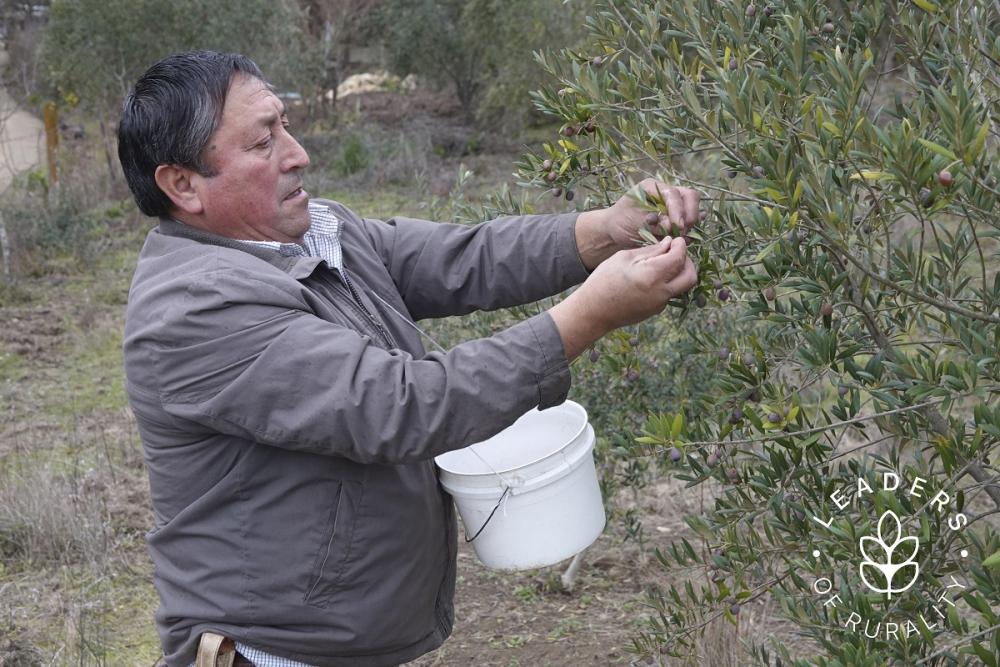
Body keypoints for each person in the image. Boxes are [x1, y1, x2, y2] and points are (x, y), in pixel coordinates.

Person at [120, 51, 699, 667]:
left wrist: (606, 228)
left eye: (284, 124)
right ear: (182, 184)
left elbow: (463, 258)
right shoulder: (193, 310)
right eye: (263, 142)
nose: (296, 153)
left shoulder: (316, 234)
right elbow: (402, 406)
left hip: (345, 640)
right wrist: (590, 315)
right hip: (274, 652)